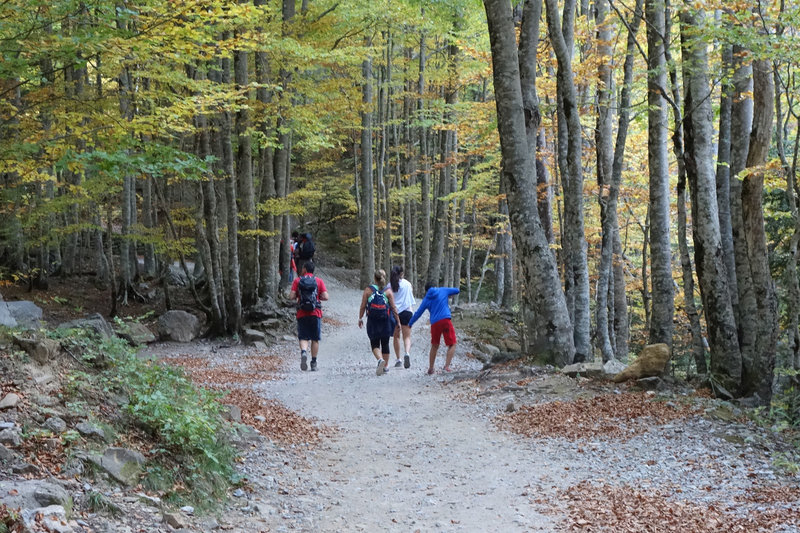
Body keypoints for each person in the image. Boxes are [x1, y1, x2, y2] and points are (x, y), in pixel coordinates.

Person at [408, 282, 459, 375]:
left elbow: (418, 313)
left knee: (435, 345)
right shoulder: (443, 290)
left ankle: (431, 368)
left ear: (426, 290)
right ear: (435, 286)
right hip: (445, 320)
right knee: (452, 344)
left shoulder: (426, 299)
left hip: (435, 323)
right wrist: (449, 294)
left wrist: (410, 323)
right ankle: (446, 367)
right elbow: (457, 290)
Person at [358, 269, 400, 376]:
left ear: (374, 278)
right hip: (386, 321)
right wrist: (398, 322)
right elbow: (394, 307)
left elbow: (363, 306)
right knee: (385, 343)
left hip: (373, 321)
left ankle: (380, 359)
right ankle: (385, 367)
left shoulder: (368, 290)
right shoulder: (388, 291)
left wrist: (360, 318)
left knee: (375, 343)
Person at [290, 260, 329, 371]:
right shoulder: (318, 281)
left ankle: (303, 352)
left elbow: (291, 296)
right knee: (315, 339)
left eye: (302, 268)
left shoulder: (298, 281)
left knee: (303, 336)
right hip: (315, 312)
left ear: (305, 269)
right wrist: (318, 297)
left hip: (302, 312)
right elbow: (326, 296)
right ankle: (313, 362)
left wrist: (299, 296)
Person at [386, 265, 415, 369]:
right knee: (407, 337)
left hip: (395, 313)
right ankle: (407, 353)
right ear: (402, 274)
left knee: (396, 337)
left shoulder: (389, 285)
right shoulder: (407, 284)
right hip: (407, 312)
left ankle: (398, 359)